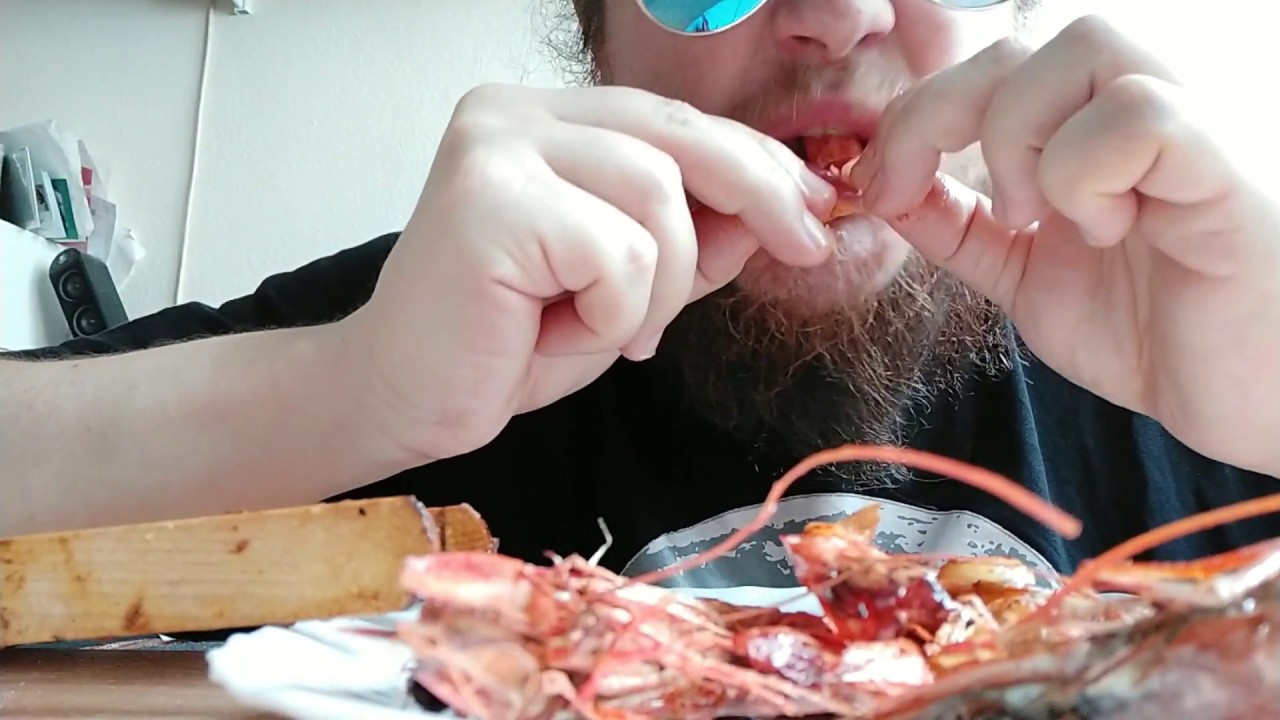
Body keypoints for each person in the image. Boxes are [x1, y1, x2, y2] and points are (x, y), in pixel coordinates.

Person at [3, 0, 1278, 590]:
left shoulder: (1198, 323)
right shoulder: (443, 315)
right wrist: (351, 387)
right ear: (597, 34)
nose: (834, 16)